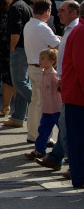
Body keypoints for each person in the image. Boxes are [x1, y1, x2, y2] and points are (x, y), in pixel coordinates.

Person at [38, 0, 81, 171]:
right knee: (66, 124)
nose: (58, 13)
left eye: (63, 10)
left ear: (74, 13)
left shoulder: (76, 30)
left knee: (66, 123)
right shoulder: (70, 29)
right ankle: (58, 158)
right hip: (66, 81)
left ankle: (70, 162)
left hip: (72, 84)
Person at [22, 0, 60, 144]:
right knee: (43, 104)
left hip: (32, 66)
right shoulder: (42, 27)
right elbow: (58, 46)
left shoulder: (29, 24)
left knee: (34, 102)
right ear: (47, 11)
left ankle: (33, 134)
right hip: (41, 69)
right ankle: (43, 136)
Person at [3, 0, 33, 130]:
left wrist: (12, 47)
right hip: (27, 47)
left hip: (19, 48)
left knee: (19, 83)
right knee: (23, 82)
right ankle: (18, 117)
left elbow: (16, 28)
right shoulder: (26, 6)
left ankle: (40, 102)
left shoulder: (14, 7)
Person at [25, 48, 61, 160]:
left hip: (56, 108)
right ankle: (39, 150)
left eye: (43, 59)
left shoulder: (53, 75)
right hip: (47, 109)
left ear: (52, 62)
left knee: (64, 131)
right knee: (43, 130)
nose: (40, 61)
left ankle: (69, 154)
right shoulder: (44, 73)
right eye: (40, 58)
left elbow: (60, 87)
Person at [61, 18, 84, 189]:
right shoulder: (81, 32)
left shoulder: (78, 30)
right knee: (77, 140)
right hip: (77, 96)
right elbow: (81, 65)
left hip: (76, 94)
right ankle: (79, 177)